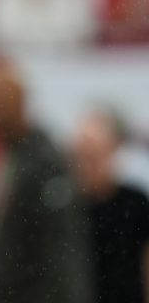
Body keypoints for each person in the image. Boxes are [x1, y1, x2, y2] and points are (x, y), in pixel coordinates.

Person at [0, 57, 91, 303]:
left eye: (0, 105)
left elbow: (59, 248)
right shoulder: (1, 156)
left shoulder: (44, 160)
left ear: (20, 103)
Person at [70, 106, 149, 303]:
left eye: (95, 155)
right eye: (82, 156)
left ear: (112, 151)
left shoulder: (135, 202)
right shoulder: (67, 207)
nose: (88, 164)